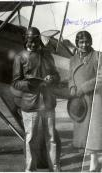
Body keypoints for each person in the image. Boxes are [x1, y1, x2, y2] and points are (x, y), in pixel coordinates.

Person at [11, 27, 61, 172]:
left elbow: (57, 76)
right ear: (26, 40)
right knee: (30, 139)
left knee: (51, 138)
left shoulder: (47, 55)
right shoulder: (20, 57)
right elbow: (15, 82)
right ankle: (30, 170)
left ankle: (55, 168)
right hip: (30, 104)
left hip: (48, 104)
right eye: (30, 41)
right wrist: (29, 84)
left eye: (36, 40)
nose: (33, 44)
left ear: (39, 39)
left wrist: (52, 78)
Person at [67, 31, 102, 172]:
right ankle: (93, 162)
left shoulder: (98, 56)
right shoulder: (73, 59)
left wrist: (83, 88)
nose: (84, 45)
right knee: (84, 132)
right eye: (81, 42)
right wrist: (72, 88)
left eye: (86, 41)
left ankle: (94, 164)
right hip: (79, 100)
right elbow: (71, 77)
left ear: (91, 42)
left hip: (94, 98)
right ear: (77, 43)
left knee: (93, 132)